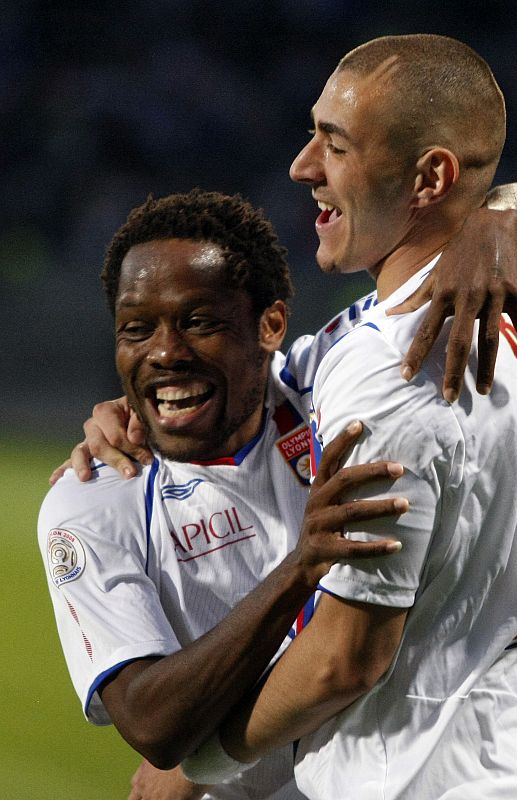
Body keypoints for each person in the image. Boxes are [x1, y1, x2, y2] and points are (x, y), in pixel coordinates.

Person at [181, 35, 517, 798]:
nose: (302, 166)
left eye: (335, 145)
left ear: (429, 178)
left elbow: (346, 658)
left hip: (447, 779)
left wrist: (203, 761)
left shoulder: (393, 367)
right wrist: (506, 212)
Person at [39, 189, 414, 800]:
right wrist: (301, 567)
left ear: (271, 325)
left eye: (199, 322)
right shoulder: (91, 501)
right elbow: (153, 723)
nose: (165, 352)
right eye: (137, 329)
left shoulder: (329, 378)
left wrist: (497, 229)